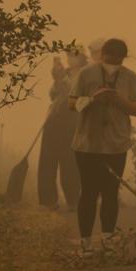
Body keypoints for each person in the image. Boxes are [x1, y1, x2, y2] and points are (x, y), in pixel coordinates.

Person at [70, 37, 136, 251]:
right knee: (88, 192)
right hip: (88, 144)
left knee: (110, 192)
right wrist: (92, 99)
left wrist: (117, 100)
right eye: (108, 58)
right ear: (101, 56)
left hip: (116, 144)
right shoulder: (86, 74)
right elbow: (72, 102)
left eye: (117, 60)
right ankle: (85, 242)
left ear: (124, 59)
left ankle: (108, 239)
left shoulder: (130, 78)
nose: (112, 63)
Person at [37, 50, 85, 210]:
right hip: (55, 119)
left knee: (70, 161)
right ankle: (48, 201)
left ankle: (73, 200)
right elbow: (52, 94)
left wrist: (62, 80)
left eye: (75, 55)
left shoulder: (86, 73)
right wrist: (58, 80)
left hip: (72, 120)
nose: (71, 58)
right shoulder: (63, 72)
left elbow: (75, 96)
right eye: (69, 55)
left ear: (82, 57)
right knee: (47, 159)